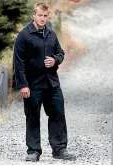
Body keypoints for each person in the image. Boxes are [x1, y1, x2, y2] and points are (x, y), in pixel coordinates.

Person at [13, 2, 76, 162]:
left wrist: (55, 60)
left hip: (52, 84)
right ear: (34, 15)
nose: (42, 18)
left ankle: (60, 150)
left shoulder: (51, 33)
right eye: (39, 15)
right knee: (33, 117)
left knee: (57, 114)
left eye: (45, 16)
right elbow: (18, 63)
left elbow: (60, 53)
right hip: (32, 85)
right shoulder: (23, 36)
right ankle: (33, 151)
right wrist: (23, 85)